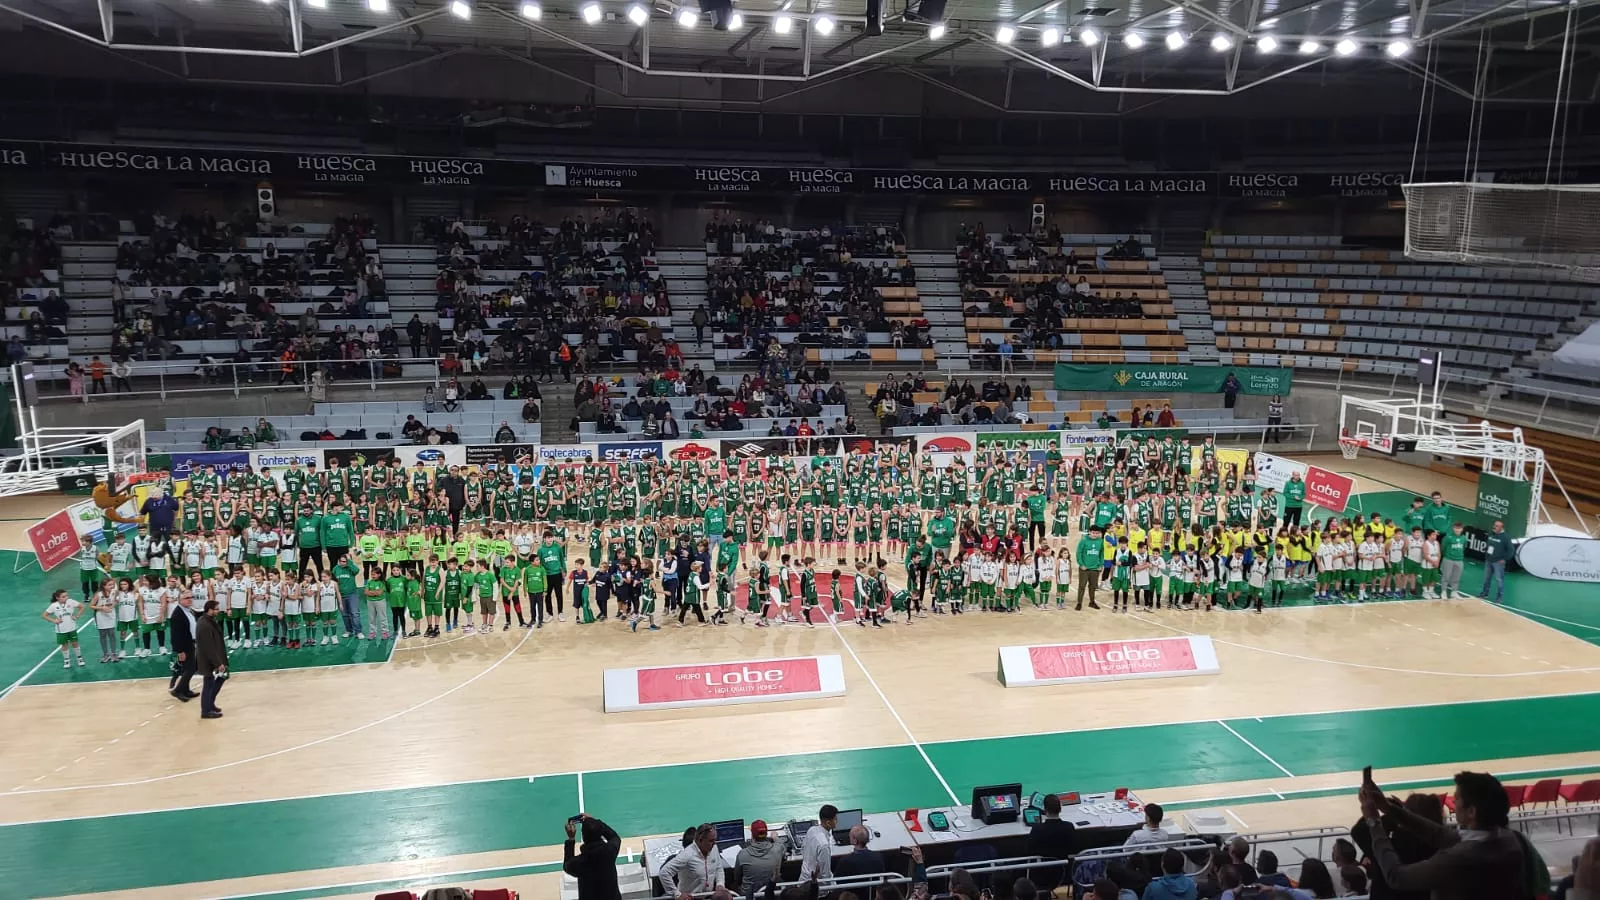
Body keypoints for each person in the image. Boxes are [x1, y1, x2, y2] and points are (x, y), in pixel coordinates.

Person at [1359, 770, 1527, 900]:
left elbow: (1396, 876)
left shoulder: (1459, 858)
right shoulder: (1509, 839)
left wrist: (1374, 822)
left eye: (1457, 799)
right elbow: (1439, 834)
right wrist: (1389, 808)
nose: (1453, 802)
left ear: (1471, 812)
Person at [659, 823, 728, 900]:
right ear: (700, 840)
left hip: (708, 895)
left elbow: (718, 868)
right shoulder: (687, 855)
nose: (714, 843)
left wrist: (720, 884)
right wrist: (677, 894)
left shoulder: (714, 848)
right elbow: (664, 873)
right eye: (711, 841)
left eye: (715, 840)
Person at [563, 814, 621, 900]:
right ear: (600, 833)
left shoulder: (580, 862)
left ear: (583, 837)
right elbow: (614, 837)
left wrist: (571, 838)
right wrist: (596, 823)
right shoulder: (610, 851)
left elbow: (567, 865)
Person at [1028, 793, 1077, 891]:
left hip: (1041, 874)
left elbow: (1029, 850)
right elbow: (1074, 848)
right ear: (1060, 808)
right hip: (1064, 873)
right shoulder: (1069, 827)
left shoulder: (1037, 829)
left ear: (1044, 810)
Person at [195, 599, 229, 719]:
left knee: (221, 678)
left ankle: (210, 704)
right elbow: (209, 647)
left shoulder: (209, 621)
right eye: (216, 609)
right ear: (209, 610)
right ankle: (206, 710)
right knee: (208, 684)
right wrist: (218, 663)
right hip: (209, 660)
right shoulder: (204, 624)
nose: (218, 611)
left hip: (215, 658)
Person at [734, 819, 787, 893]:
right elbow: (782, 845)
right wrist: (775, 837)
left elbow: (737, 878)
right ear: (766, 834)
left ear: (752, 835)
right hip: (772, 893)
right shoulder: (777, 849)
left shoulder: (742, 854)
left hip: (750, 895)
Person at [168, 589, 199, 701]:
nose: (190, 600)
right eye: (187, 598)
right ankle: (178, 690)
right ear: (179, 600)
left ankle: (186, 690)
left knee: (190, 667)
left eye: (191, 597)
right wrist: (180, 651)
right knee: (191, 668)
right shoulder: (177, 614)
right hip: (184, 645)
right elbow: (175, 635)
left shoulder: (189, 610)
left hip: (191, 642)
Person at [42, 589, 86, 669]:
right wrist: (54, 620)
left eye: (67, 596)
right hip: (61, 630)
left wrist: (77, 615)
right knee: (64, 644)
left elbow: (82, 606)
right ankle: (66, 660)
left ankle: (79, 658)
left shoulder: (71, 601)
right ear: (57, 598)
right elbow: (44, 615)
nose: (66, 598)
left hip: (72, 628)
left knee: (75, 643)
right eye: (63, 597)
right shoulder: (54, 606)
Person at [799, 804, 838, 881]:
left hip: (803, 879)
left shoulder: (811, 830)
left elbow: (803, 850)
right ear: (828, 822)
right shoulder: (824, 846)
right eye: (835, 819)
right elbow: (825, 874)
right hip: (816, 885)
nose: (837, 821)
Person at [1479, 520, 1514, 603]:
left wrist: (1504, 559)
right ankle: (1484, 594)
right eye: (1494, 525)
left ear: (1501, 528)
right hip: (1489, 560)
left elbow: (1511, 550)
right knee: (1486, 578)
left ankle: (1499, 598)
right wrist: (1486, 550)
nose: (1494, 526)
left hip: (1498, 562)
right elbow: (1489, 544)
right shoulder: (1491, 534)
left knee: (1499, 580)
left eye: (1497, 526)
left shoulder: (1505, 537)